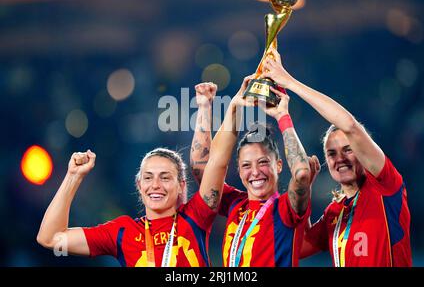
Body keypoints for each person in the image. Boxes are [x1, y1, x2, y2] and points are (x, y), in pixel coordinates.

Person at [36, 79, 248, 267]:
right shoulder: (122, 232)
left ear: (181, 185)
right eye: (148, 177)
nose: (155, 184)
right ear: (139, 186)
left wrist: (209, 108)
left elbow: (214, 163)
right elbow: (51, 238)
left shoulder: (196, 216)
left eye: (165, 177)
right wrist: (73, 177)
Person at [261, 47, 412, 267]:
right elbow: (298, 247)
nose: (339, 158)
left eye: (348, 149)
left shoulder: (384, 187)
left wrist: (289, 81)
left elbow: (350, 125)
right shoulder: (335, 212)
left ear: (362, 152)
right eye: (331, 153)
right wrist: (283, 117)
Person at [190, 80, 316, 267]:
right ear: (239, 170)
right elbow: (202, 171)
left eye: (263, 162)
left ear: (279, 165)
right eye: (247, 165)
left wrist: (282, 116)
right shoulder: (235, 204)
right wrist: (229, 107)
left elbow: (302, 174)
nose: (255, 172)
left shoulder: (285, 209)